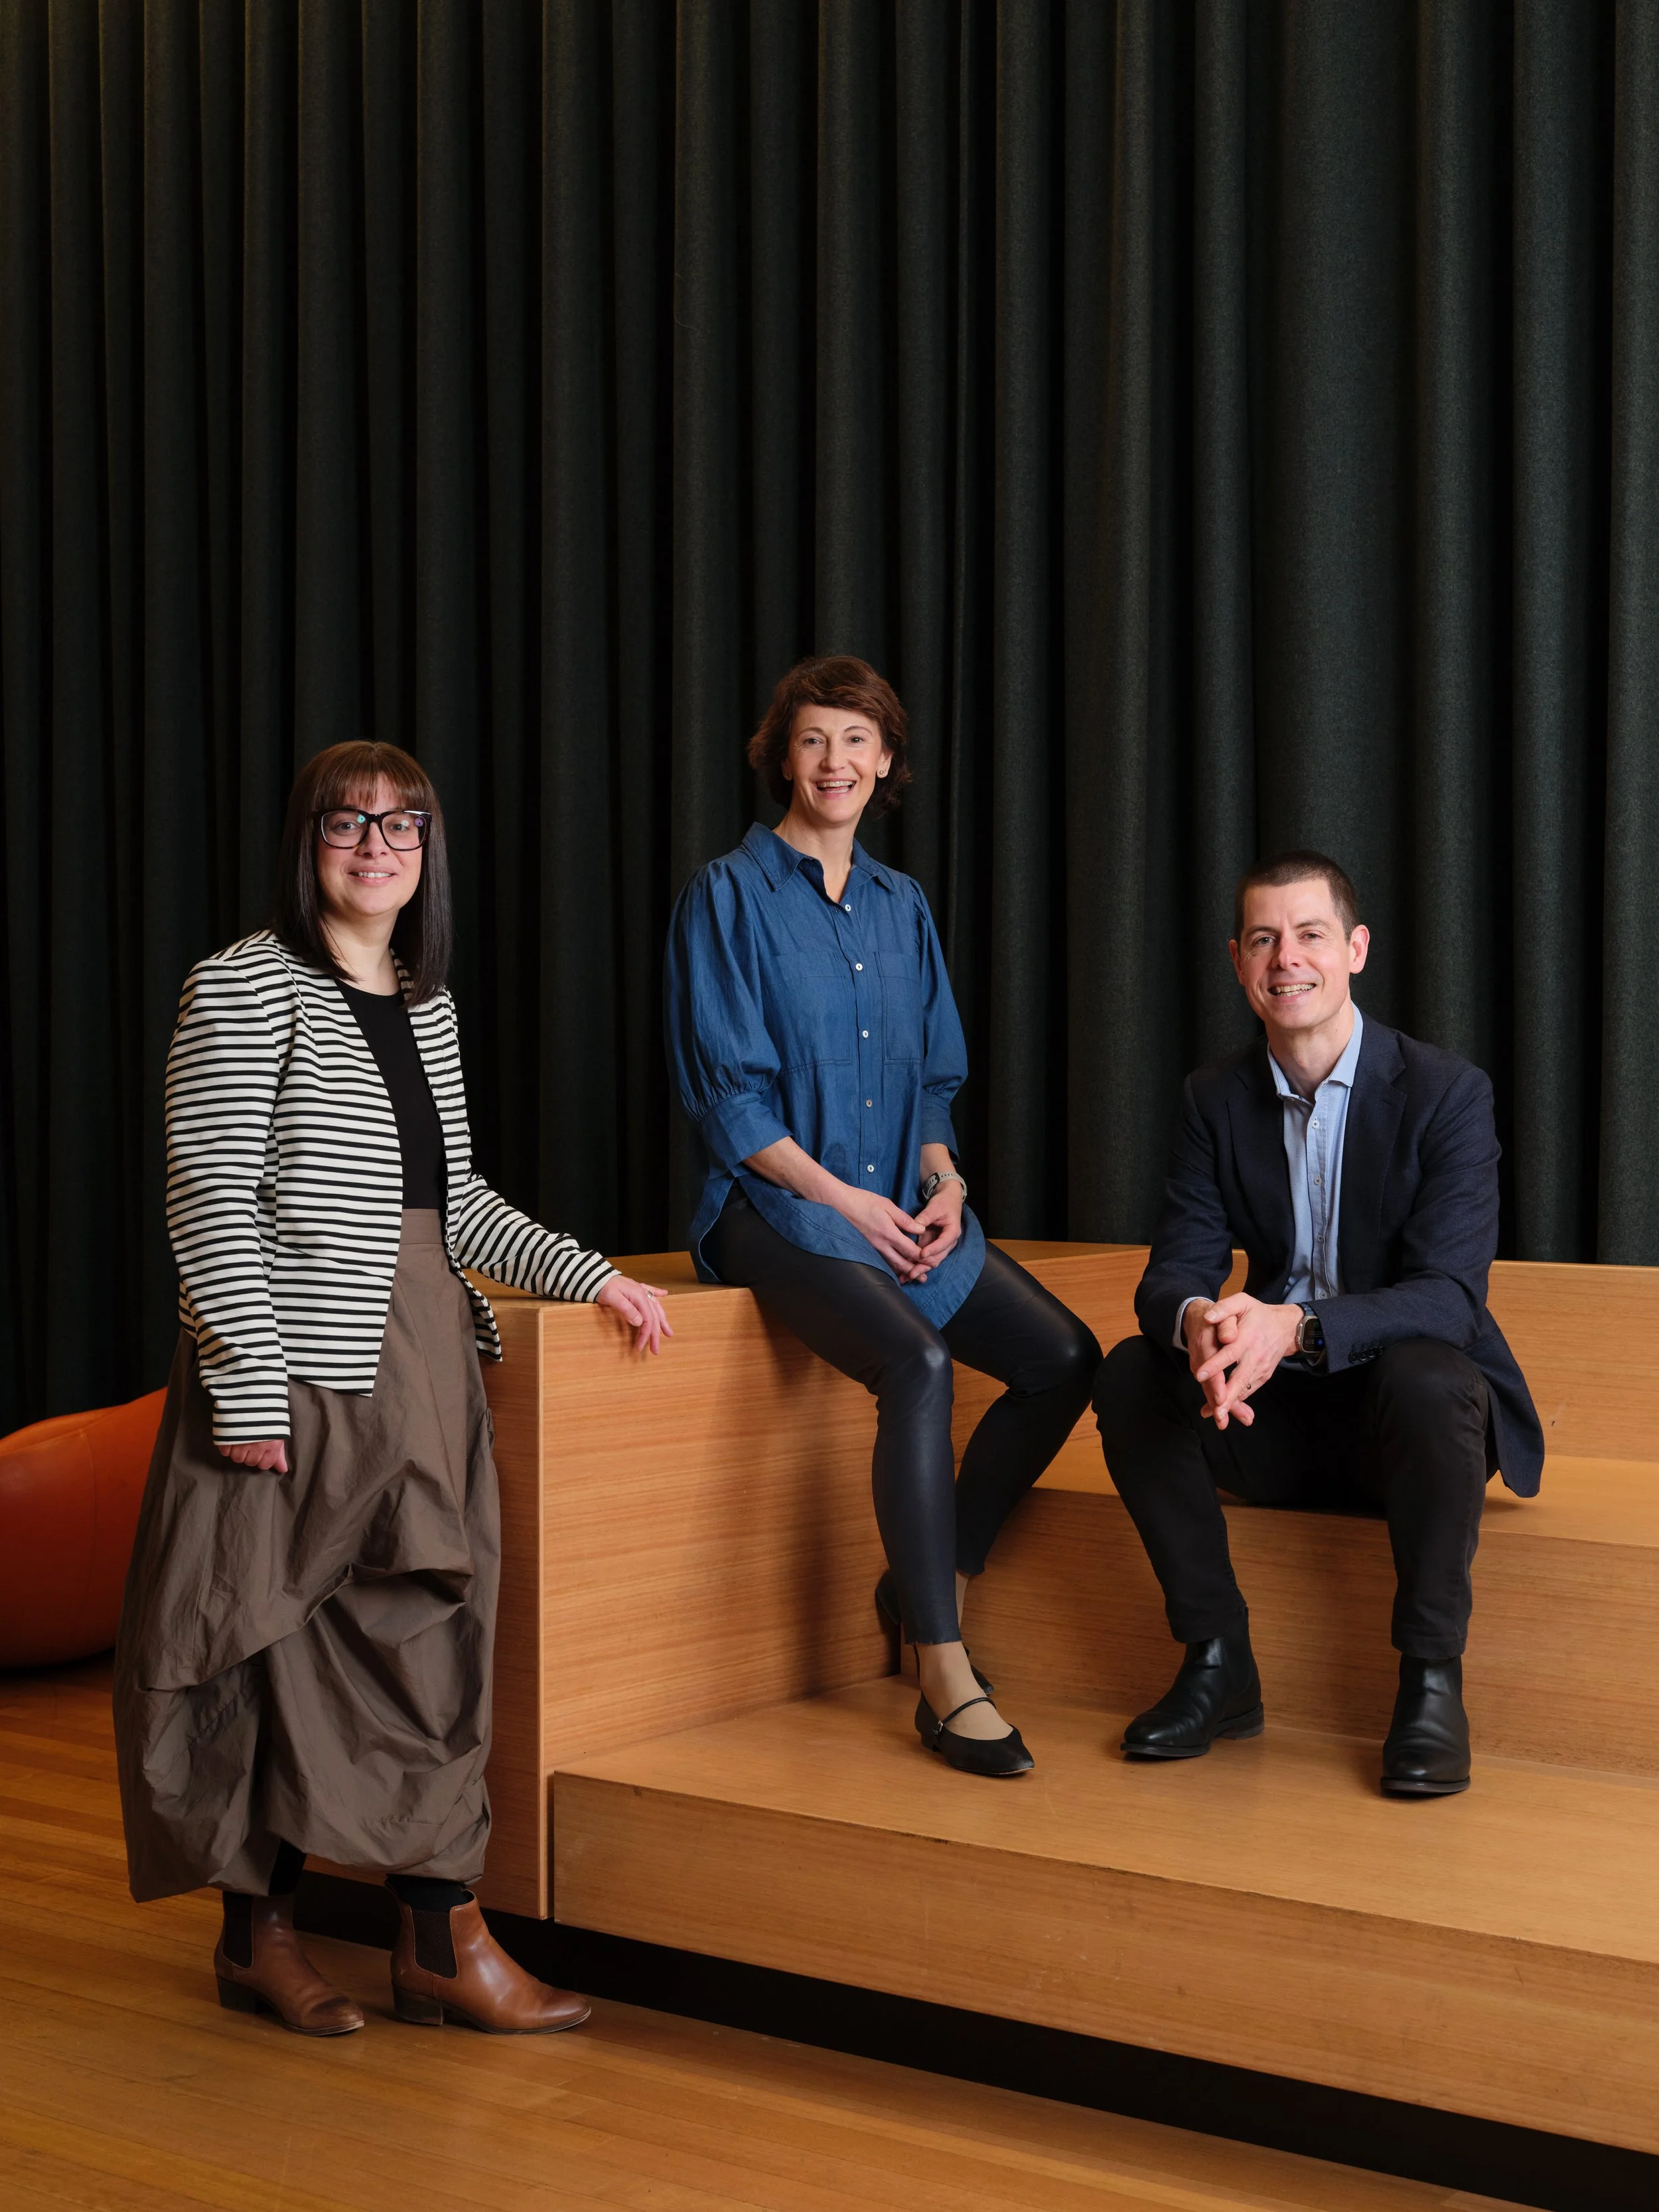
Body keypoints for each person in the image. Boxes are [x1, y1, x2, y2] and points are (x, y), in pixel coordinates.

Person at [114, 741, 670, 2037]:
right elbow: (208, 1197)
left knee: (430, 1646)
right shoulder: (243, 987)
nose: (376, 845)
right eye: (347, 822)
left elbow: (452, 1198)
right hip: (294, 1365)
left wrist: (585, 1274)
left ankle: (436, 1936)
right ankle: (261, 1937)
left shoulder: (427, 1002)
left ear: (428, 853)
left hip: (420, 1357)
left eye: (402, 824)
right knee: (270, 1644)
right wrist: (248, 1390)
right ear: (305, 841)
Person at [664, 656, 1100, 1779]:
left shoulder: (904, 907)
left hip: (898, 1203)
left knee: (1063, 1357)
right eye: (814, 739)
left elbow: (932, 1091)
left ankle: (930, 1575)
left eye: (857, 742)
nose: (836, 762)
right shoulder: (727, 895)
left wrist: (946, 1186)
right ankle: (944, 1675)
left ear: (887, 763)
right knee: (917, 1363)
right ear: (782, 756)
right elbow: (731, 1104)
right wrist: (848, 1200)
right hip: (774, 1205)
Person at [1092, 850, 1544, 1797]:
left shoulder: (1445, 1093)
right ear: (1237, 960)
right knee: (1135, 1371)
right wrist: (1205, 1323)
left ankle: (1429, 1682)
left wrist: (1289, 1327)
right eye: (1263, 939)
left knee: (1430, 1371)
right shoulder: (1213, 1099)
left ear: (1356, 950)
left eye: (1309, 935)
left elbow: (1451, 1297)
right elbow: (1170, 1273)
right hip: (1275, 1423)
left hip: (1411, 1430)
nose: (1285, 959)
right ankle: (1219, 1664)